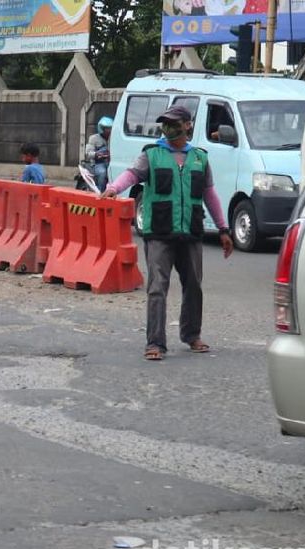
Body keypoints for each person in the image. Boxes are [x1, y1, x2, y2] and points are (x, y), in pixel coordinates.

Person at [102, 105, 233, 361]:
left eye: (174, 122)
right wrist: (113, 188)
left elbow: (210, 195)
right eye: (165, 123)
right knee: (157, 288)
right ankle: (155, 343)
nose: (169, 127)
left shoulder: (199, 158)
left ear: (187, 125)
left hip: (191, 232)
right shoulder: (151, 155)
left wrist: (223, 228)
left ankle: (192, 335)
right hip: (159, 232)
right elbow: (131, 175)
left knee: (194, 285)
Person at [85, 117, 113, 191]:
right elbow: (88, 153)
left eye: (110, 128)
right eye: (107, 128)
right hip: (98, 163)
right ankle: (100, 191)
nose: (109, 131)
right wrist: (97, 154)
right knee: (103, 172)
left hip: (111, 162)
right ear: (101, 128)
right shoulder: (93, 138)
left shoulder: (113, 138)